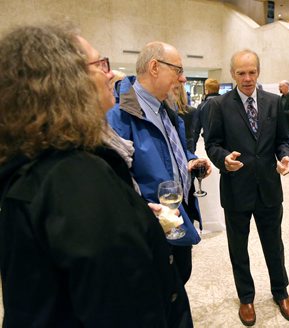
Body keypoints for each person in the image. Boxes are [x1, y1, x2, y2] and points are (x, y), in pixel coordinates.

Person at [0, 24, 191, 327]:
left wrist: (134, 213)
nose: (111, 75)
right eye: (100, 65)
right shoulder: (77, 179)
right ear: (64, 82)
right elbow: (123, 305)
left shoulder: (42, 167)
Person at [204, 49, 289, 326]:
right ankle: (246, 297)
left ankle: (280, 292)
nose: (247, 78)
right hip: (236, 189)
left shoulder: (273, 102)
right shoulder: (219, 105)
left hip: (269, 188)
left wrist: (285, 156)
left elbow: (283, 139)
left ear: (258, 72)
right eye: (241, 73)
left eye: (252, 72)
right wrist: (223, 160)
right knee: (238, 248)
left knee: (274, 245)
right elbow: (212, 144)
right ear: (233, 74)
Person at [107, 42, 211, 286]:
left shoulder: (166, 108)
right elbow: (114, 183)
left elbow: (174, 149)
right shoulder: (120, 115)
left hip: (179, 215)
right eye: (178, 70)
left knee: (179, 277)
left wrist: (190, 159)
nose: (183, 78)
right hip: (151, 227)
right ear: (154, 67)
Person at [192, 78, 220, 152]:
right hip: (227, 143)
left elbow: (195, 129)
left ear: (206, 90)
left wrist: (191, 151)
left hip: (210, 144)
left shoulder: (202, 106)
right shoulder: (226, 103)